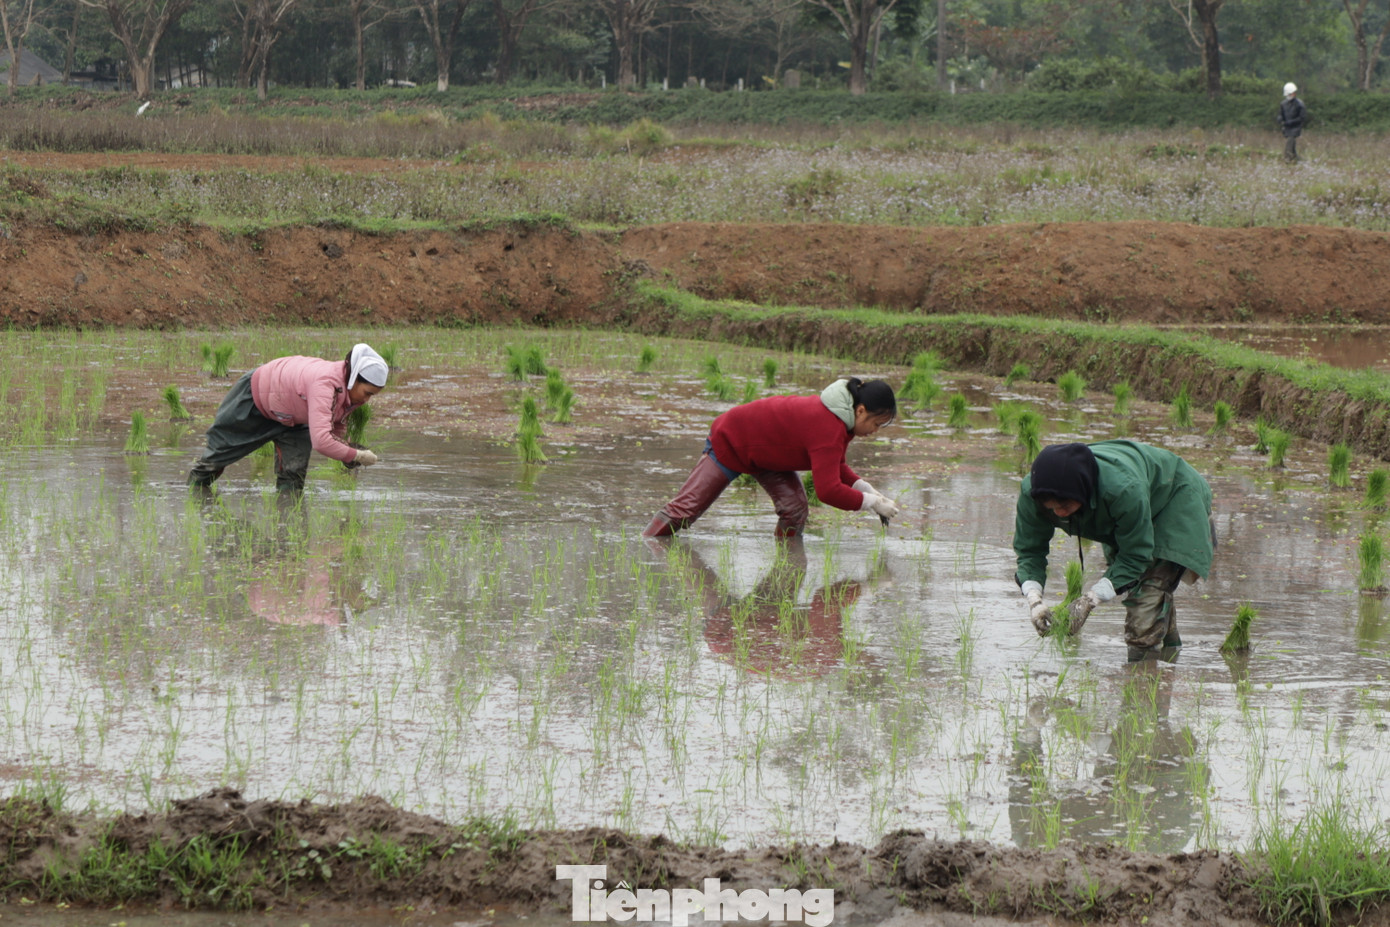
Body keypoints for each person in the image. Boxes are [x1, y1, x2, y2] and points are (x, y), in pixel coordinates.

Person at [1013, 440, 1214, 662]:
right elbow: (1030, 551)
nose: (1059, 513)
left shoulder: (1122, 490)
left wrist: (1089, 601)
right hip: (1129, 511)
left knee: (1147, 595)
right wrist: (1034, 601)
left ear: (1084, 492)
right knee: (1149, 592)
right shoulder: (1034, 492)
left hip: (1174, 498)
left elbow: (1135, 557)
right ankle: (1169, 660)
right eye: (1052, 508)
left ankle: (1143, 676)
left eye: (1066, 506)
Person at [643, 377, 900, 539]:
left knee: (794, 510)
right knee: (684, 512)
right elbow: (828, 491)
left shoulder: (840, 422)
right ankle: (646, 548)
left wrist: (869, 491)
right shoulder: (829, 425)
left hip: (768, 456)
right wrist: (871, 503)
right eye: (876, 424)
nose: (875, 431)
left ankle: (786, 569)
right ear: (860, 410)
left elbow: (836, 466)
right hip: (733, 440)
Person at [188, 343, 387, 494]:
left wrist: (347, 448)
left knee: (293, 478)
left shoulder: (350, 392)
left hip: (295, 420)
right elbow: (321, 441)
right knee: (214, 460)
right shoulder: (326, 383)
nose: (366, 400)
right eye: (367, 393)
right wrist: (355, 455)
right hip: (256, 400)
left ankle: (287, 528)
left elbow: (334, 424)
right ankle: (193, 496)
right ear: (354, 378)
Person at [1278, 82, 1308, 163]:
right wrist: (1280, 119)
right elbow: (1281, 114)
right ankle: (1298, 160)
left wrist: (1291, 122)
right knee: (1292, 147)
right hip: (1286, 128)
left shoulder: (1300, 104)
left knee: (1290, 143)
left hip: (1295, 128)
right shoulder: (1283, 104)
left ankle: (1287, 159)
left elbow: (1302, 118)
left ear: (1294, 93)